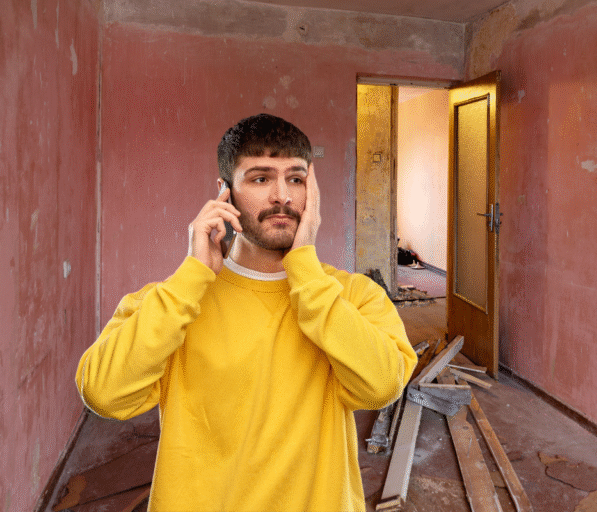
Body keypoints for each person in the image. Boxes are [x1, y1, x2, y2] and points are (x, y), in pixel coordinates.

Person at [76, 114, 417, 511]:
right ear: (225, 193)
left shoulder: (352, 297)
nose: (282, 196)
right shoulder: (175, 303)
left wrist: (304, 270)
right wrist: (193, 277)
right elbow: (103, 394)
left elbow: (382, 386)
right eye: (260, 178)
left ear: (313, 193)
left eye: (295, 178)